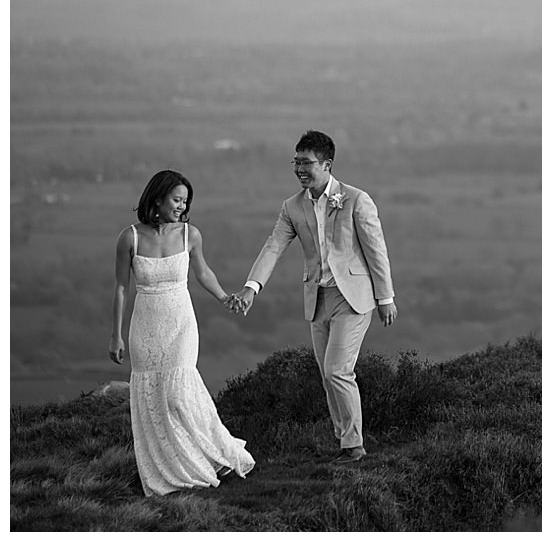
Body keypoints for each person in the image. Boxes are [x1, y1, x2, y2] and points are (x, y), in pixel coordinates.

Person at [230, 130, 396, 463]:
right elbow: (274, 246)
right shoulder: (291, 206)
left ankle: (354, 446)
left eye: (306, 163)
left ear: (327, 164)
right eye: (296, 162)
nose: (299, 169)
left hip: (353, 298)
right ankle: (343, 441)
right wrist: (251, 287)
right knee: (326, 373)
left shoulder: (356, 199)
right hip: (317, 298)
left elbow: (376, 250)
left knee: (338, 370)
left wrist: (386, 297)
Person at [110, 169, 255, 496]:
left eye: (185, 201)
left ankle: (208, 457)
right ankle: (168, 470)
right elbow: (120, 288)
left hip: (181, 322)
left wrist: (224, 298)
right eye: (176, 199)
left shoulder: (191, 235)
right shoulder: (129, 237)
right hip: (144, 324)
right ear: (158, 198)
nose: (181, 206)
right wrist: (115, 335)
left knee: (179, 392)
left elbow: (203, 273)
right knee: (153, 396)